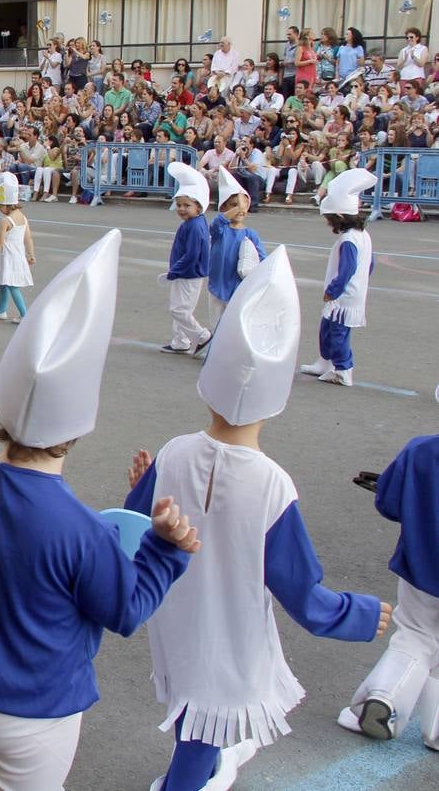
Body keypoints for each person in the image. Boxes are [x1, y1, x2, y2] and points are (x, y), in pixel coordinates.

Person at [0, 230, 200, 791]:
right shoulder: (76, 527)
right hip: (32, 706)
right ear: (77, 428)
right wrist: (165, 551)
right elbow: (125, 609)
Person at [127, 248, 388, 791]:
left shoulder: (176, 450)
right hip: (231, 623)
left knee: (193, 714)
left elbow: (136, 524)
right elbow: (301, 590)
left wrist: (143, 489)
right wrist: (360, 613)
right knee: (205, 725)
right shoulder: (271, 482)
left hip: (176, 611)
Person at [338, 431, 439, 751]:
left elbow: (389, 503)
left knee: (417, 634)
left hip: (423, 566)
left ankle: (386, 697)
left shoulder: (422, 450)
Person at [300, 169, 376, 388]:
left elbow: (347, 270)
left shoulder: (349, 240)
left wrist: (333, 290)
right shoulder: (362, 236)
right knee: (327, 327)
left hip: (344, 296)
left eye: (329, 219)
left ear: (340, 217)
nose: (328, 223)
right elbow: (370, 262)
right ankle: (324, 361)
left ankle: (343, 369)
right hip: (347, 293)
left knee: (338, 333)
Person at [161, 163, 211, 356]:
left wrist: (174, 271)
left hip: (188, 273)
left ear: (198, 206)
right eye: (179, 205)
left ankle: (202, 335)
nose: (181, 209)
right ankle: (180, 341)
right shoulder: (194, 222)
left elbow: (191, 255)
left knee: (178, 310)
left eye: (187, 205)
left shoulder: (194, 226)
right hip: (187, 272)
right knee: (182, 308)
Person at [206, 170, 266, 325]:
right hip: (217, 284)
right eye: (233, 205)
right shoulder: (221, 230)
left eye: (244, 205)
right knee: (216, 324)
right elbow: (216, 223)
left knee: (233, 324)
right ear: (224, 207)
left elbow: (262, 258)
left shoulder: (250, 234)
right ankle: (215, 347)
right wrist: (237, 207)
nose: (240, 210)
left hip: (237, 286)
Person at [0, 174, 35, 322]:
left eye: (0, 206)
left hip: (8, 256)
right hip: (17, 255)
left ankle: (25, 315)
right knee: (4, 282)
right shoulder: (23, 217)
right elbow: (28, 238)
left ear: (7, 204)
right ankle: (1, 311)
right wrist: (31, 254)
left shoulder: (5, 221)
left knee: (12, 285)